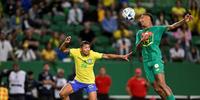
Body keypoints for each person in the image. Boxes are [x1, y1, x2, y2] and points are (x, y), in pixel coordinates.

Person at [135, 13, 192, 100]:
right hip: (146, 62)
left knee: (161, 83)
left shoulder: (157, 29)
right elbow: (137, 48)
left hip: (155, 59)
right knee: (157, 88)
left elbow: (172, 26)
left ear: (149, 19)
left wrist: (184, 20)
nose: (141, 20)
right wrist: (142, 40)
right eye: (140, 18)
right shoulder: (139, 33)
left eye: (143, 18)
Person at [59, 36, 132, 100]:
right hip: (78, 81)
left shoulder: (93, 54)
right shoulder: (75, 52)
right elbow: (63, 50)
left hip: (90, 82)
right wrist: (65, 43)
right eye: (86, 47)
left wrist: (121, 56)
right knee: (62, 94)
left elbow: (107, 56)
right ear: (81, 49)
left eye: (89, 47)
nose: (88, 49)